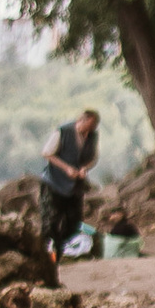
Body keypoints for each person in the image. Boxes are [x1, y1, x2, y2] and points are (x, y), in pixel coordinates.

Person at [40, 105, 100, 256]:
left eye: (92, 128)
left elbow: (94, 157)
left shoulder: (93, 136)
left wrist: (85, 168)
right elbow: (47, 153)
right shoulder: (63, 131)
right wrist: (66, 168)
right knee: (51, 219)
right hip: (54, 182)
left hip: (75, 185)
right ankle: (48, 252)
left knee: (74, 219)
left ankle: (68, 251)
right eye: (87, 127)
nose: (88, 132)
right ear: (81, 120)